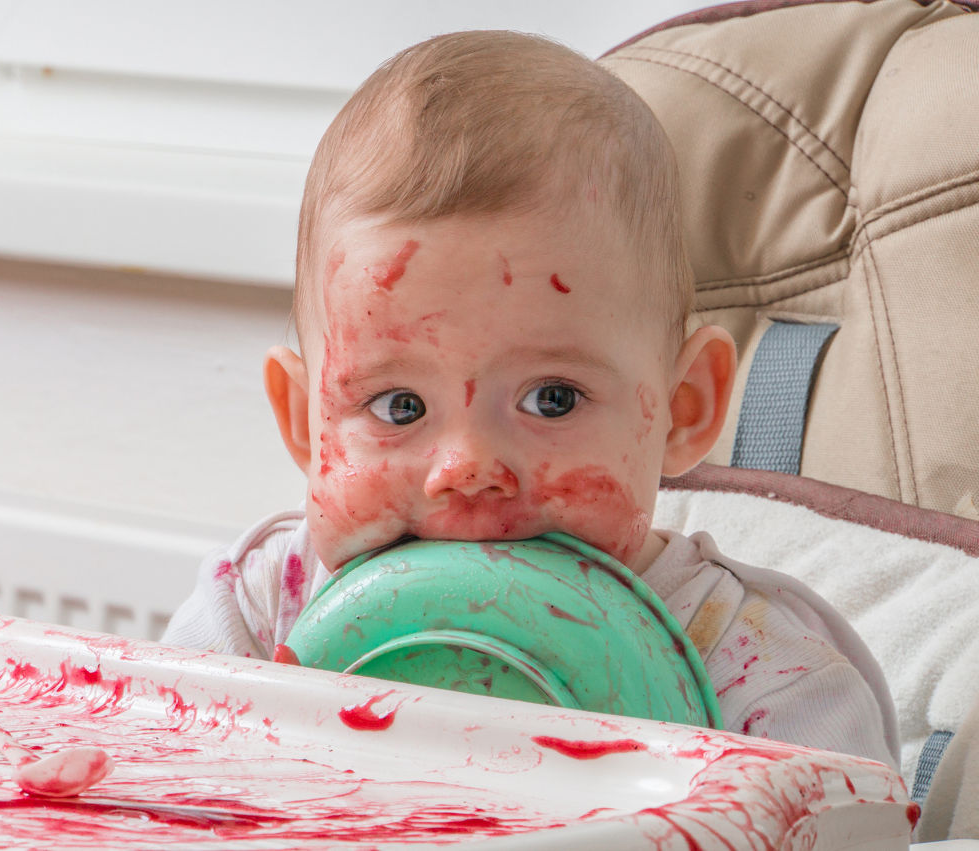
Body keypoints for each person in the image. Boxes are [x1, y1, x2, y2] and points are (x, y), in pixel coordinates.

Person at [163, 30, 897, 767]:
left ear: (685, 406)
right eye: (399, 406)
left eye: (552, 398)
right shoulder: (255, 617)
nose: (467, 467)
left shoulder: (767, 678)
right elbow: (148, 786)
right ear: (305, 420)